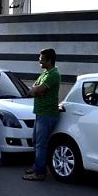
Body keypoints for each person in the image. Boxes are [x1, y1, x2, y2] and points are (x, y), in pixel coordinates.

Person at [23, 48, 61, 181]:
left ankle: (39, 172)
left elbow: (39, 89)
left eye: (42, 58)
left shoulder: (53, 74)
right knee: (36, 141)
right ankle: (37, 166)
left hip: (47, 113)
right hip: (40, 113)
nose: (39, 60)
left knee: (40, 144)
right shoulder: (45, 73)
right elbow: (35, 88)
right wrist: (36, 91)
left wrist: (36, 91)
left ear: (49, 60)